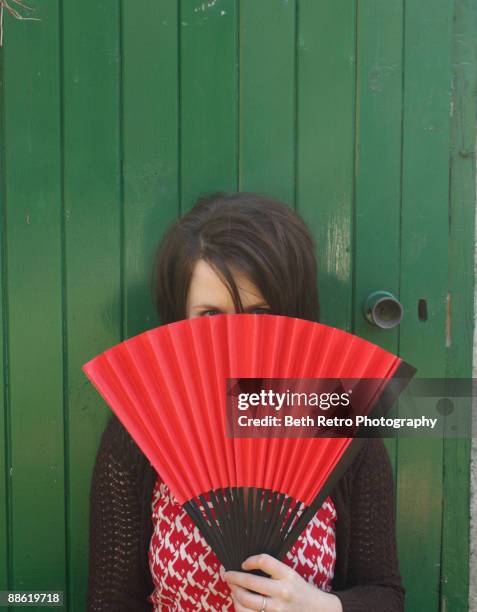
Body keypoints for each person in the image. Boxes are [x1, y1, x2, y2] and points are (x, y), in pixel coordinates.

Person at [87, 192, 405, 611]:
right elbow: (111, 602)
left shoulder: (338, 416)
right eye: (212, 317)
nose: (236, 339)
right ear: (179, 320)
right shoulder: (140, 428)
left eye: (259, 315)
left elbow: (385, 595)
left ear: (293, 316)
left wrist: (321, 607)